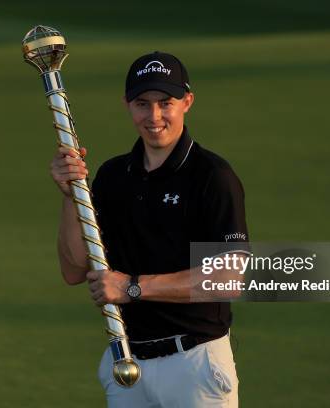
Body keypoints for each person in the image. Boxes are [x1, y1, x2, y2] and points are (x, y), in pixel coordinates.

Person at [50, 51, 248, 408]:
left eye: (165, 103)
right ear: (127, 105)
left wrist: (133, 287)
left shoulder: (212, 177)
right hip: (128, 365)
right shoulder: (113, 176)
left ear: (187, 102)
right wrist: (70, 196)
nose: (154, 116)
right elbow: (74, 270)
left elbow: (229, 278)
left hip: (194, 366)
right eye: (143, 103)